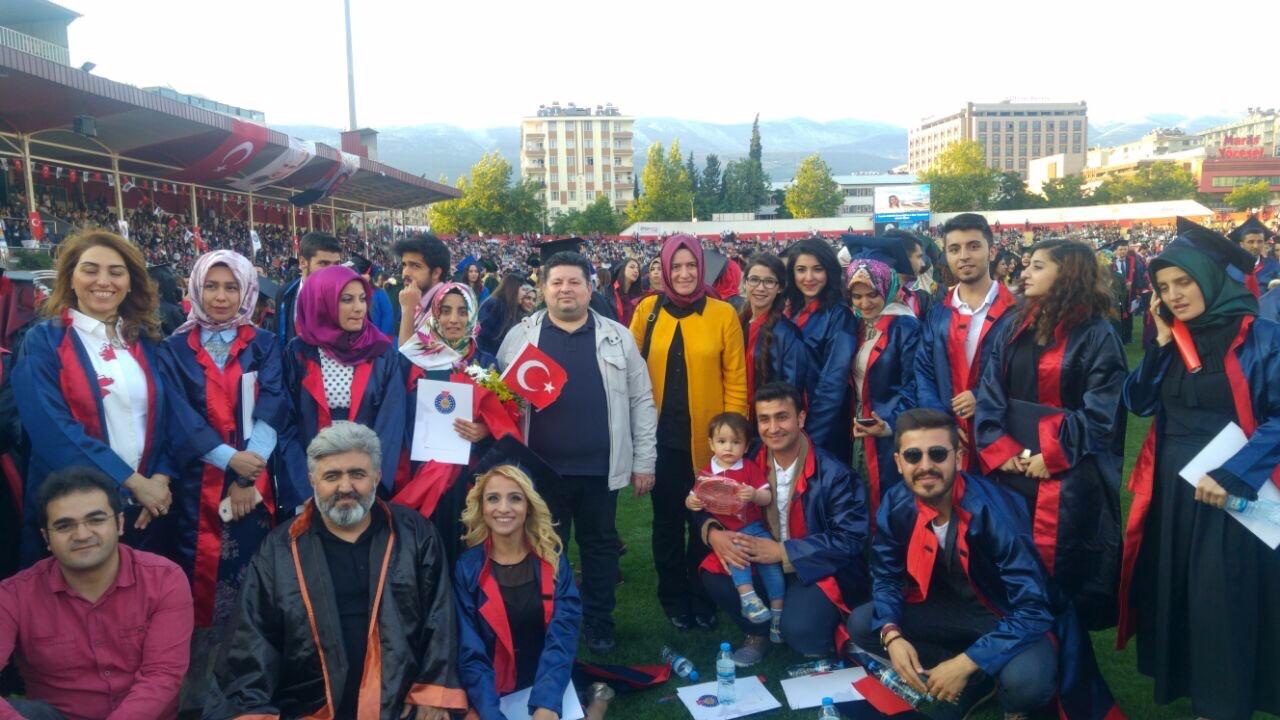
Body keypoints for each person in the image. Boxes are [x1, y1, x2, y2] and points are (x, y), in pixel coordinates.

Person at [849, 409, 1120, 719]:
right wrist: (892, 635)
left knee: (1027, 683)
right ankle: (977, 677)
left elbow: (1033, 608)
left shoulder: (995, 511)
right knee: (863, 623)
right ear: (899, 462)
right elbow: (886, 577)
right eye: (913, 456)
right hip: (948, 608)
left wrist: (966, 662)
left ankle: (978, 673)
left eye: (938, 454)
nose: (925, 466)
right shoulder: (895, 503)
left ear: (958, 458)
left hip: (1005, 613)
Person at [1118, 217, 1280, 720]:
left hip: (1231, 491)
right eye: (1164, 287)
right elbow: (1139, 402)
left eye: (1184, 282)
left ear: (1210, 277)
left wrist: (1234, 474)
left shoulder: (1261, 336)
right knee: (1182, 594)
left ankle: (1223, 705)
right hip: (1174, 492)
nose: (1174, 295)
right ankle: (1200, 695)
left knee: (1223, 601)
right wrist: (1159, 344)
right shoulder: (1175, 340)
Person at [205, 422, 466, 719]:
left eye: (357, 474)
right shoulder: (279, 549)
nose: (345, 487)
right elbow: (252, 638)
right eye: (332, 476)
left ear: (377, 477)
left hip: (400, 706)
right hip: (310, 708)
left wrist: (432, 690)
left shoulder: (415, 535)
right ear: (312, 481)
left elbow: (440, 617)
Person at [500, 250, 656, 653]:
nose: (565, 289)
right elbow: (498, 400)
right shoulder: (520, 337)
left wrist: (644, 462)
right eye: (557, 282)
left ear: (590, 288)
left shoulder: (617, 337)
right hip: (539, 471)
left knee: (599, 549)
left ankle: (599, 622)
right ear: (544, 289)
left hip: (600, 469)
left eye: (574, 282)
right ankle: (550, 621)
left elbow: (641, 400)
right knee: (544, 550)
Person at [975, 239, 1126, 631]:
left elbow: (1103, 410)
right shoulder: (1015, 324)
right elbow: (990, 392)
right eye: (1027, 265)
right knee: (1011, 559)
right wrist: (1000, 449)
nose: (1025, 273)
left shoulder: (1097, 334)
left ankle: (1064, 652)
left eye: (1037, 266)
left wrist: (1053, 456)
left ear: (1068, 273)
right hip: (1012, 469)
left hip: (1067, 475)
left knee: (1061, 572)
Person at [14, 230, 177, 566]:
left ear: (130, 283)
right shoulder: (43, 341)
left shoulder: (145, 341)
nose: (103, 281)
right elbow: (52, 431)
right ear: (71, 278)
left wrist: (160, 479)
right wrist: (132, 483)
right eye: (90, 270)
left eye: (116, 272)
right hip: (75, 512)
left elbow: (168, 419)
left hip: (145, 507)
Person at [0, 467, 193, 720]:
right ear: (46, 538)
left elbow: (162, 676)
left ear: (119, 523)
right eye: (64, 525)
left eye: (96, 520)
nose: (82, 535)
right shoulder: (14, 595)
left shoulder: (164, 579)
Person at [699, 381, 868, 666]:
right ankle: (758, 632)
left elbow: (850, 539)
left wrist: (782, 552)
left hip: (811, 565)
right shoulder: (744, 459)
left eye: (782, 417)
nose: (773, 428)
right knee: (713, 571)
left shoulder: (834, 473)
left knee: (801, 633)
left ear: (801, 418)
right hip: (757, 556)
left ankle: (803, 620)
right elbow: (703, 498)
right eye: (764, 419)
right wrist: (714, 532)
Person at [631, 234, 746, 632]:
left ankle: (703, 595)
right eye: (676, 266)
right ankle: (673, 596)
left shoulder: (723, 314)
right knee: (666, 522)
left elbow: (736, 380)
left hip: (710, 444)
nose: (683, 274)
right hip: (661, 441)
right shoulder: (647, 311)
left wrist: (733, 439)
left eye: (691, 266)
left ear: (702, 268)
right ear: (665, 269)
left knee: (705, 522)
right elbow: (630, 372)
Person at [395, 282, 522, 564]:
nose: (454, 319)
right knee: (424, 547)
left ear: (473, 315)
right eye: (445, 311)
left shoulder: (485, 363)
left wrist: (485, 430)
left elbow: (506, 414)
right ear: (435, 315)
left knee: (466, 547)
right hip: (423, 470)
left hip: (470, 474)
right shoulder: (418, 359)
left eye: (462, 312)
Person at [453, 464, 581, 720]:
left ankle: (595, 704)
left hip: (546, 678)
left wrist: (546, 704)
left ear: (529, 506)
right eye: (493, 498)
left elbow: (563, 634)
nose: (503, 508)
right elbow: (470, 649)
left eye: (515, 498)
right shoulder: (468, 569)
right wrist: (490, 713)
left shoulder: (552, 562)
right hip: (489, 686)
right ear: (482, 507)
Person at [280, 265, 403, 494]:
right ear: (322, 302)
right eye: (347, 300)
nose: (359, 308)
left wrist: (373, 482)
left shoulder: (381, 352)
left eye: (362, 299)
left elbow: (391, 422)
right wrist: (304, 484)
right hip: (312, 477)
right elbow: (286, 421)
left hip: (365, 479)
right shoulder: (298, 352)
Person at [916, 213, 1016, 469]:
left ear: (991, 251)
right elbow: (924, 371)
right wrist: (942, 423)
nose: (963, 256)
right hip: (949, 437)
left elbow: (1026, 375)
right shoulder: (938, 313)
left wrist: (983, 396)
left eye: (973, 246)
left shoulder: (1017, 312)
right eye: (954, 249)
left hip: (1003, 433)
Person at [685, 413, 783, 640]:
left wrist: (755, 494)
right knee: (737, 559)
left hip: (755, 528)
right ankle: (748, 599)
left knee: (772, 568)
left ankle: (778, 614)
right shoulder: (707, 472)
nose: (728, 448)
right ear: (711, 444)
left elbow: (767, 497)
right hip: (730, 533)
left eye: (736, 442)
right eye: (722, 441)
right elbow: (692, 498)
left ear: (746, 446)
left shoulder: (748, 468)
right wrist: (691, 501)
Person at [845, 256, 919, 518]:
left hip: (889, 429)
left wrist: (889, 423)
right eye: (857, 296)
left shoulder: (905, 327)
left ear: (887, 288)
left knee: (889, 501)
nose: (864, 303)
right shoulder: (856, 325)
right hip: (858, 428)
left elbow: (913, 384)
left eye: (872, 294)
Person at [783, 238, 857, 462]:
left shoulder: (839, 315)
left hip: (824, 425)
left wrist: (811, 438)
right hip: (790, 419)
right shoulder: (790, 309)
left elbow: (833, 381)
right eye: (801, 270)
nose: (808, 278)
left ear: (829, 271)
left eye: (817, 269)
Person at [739, 253, 814, 417]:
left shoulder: (787, 334)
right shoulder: (738, 323)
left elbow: (792, 389)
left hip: (768, 420)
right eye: (754, 279)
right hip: (737, 417)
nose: (760, 288)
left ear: (780, 287)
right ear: (745, 283)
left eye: (769, 281)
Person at [275, 231, 343, 347]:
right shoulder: (285, 294)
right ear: (302, 262)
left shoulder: (346, 297)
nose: (332, 271)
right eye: (324, 263)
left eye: (336, 264)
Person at [395, 232, 452, 345]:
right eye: (404, 265)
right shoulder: (417, 298)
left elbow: (408, 354)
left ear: (436, 273)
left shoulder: (446, 307)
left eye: (415, 266)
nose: (405, 272)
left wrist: (408, 310)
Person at [477, 273, 533, 357]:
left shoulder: (513, 308)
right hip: (488, 358)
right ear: (513, 288)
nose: (525, 293)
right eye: (523, 289)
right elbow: (484, 335)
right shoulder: (494, 304)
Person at [1227, 214, 1280, 296]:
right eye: (1250, 242)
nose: (1256, 246)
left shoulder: (1274, 266)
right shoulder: (1230, 268)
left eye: (1260, 241)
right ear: (1241, 244)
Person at [350, 253, 396, 337]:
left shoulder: (380, 293)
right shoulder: (349, 294)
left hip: (378, 338)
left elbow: (387, 316)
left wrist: (381, 337)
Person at [1112, 243, 1147, 344]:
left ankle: (1128, 337)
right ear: (1116, 250)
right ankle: (1119, 336)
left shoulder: (1132, 261)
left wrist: (1138, 292)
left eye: (1124, 249)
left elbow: (1137, 277)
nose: (1123, 251)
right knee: (1117, 315)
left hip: (1130, 293)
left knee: (1129, 315)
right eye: (1120, 249)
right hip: (1116, 294)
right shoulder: (1111, 262)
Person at [602, 257, 644, 327]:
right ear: (622, 269)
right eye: (632, 267)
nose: (636, 271)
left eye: (637, 268)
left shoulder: (639, 295)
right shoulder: (609, 291)